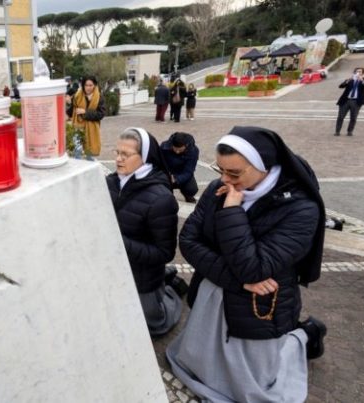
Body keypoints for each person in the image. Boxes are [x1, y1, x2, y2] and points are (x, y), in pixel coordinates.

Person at [167, 126, 328, 402]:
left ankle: (306, 334)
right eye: (221, 171)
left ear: (264, 166)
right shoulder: (220, 187)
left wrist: (231, 211)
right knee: (201, 358)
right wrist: (235, 280)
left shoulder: (302, 209)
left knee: (251, 380)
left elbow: (253, 268)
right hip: (218, 293)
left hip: (259, 308)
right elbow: (189, 241)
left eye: (235, 173)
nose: (225, 180)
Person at [106, 127, 181, 337]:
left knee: (155, 326)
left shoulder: (161, 199)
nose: (119, 159)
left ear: (145, 157)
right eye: (117, 152)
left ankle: (168, 293)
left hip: (143, 276)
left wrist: (121, 243)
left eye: (126, 154)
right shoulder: (110, 182)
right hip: (114, 269)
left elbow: (164, 253)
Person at [67, 76, 106, 156]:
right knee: (77, 153)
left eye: (90, 85)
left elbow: (101, 114)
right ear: (83, 85)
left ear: (95, 85)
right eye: (86, 85)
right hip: (78, 128)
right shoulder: (77, 96)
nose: (88, 88)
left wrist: (85, 112)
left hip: (92, 130)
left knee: (89, 155)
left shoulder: (99, 97)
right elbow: (71, 110)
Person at [161, 132, 199, 203]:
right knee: (164, 191)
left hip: (182, 173)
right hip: (167, 173)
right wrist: (167, 175)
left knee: (191, 189)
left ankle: (188, 196)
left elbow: (189, 171)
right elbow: (160, 163)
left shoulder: (193, 150)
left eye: (180, 150)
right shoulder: (164, 147)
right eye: (175, 149)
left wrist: (176, 179)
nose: (177, 152)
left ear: (186, 146)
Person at [335, 67, 364, 136]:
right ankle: (337, 131)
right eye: (357, 71)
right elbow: (341, 86)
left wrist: (362, 80)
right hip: (345, 100)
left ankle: (349, 131)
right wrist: (348, 80)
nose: (358, 73)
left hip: (356, 101)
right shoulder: (350, 80)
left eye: (360, 71)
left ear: (362, 73)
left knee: (353, 117)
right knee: (340, 117)